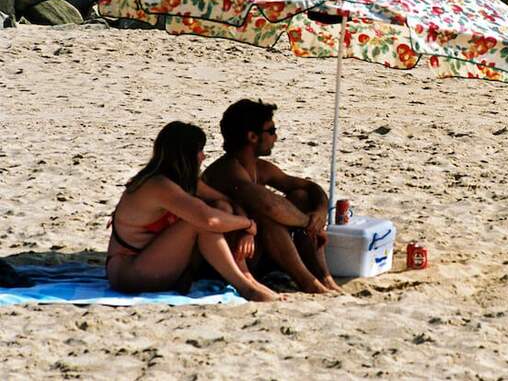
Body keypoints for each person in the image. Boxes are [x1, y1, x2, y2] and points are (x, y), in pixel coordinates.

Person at [105, 121, 279, 302]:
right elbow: (210, 220)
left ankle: (247, 277)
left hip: (156, 261)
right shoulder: (158, 185)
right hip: (128, 272)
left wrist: (246, 232)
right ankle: (245, 287)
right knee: (199, 223)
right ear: (185, 155)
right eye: (199, 151)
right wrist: (249, 224)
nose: (203, 157)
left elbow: (227, 202)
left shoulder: (183, 181)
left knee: (221, 208)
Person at [202, 99, 341, 294]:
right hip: (231, 260)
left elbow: (310, 188)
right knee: (265, 216)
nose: (276, 138)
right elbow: (268, 205)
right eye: (272, 131)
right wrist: (308, 223)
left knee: (301, 197)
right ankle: (308, 282)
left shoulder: (260, 168)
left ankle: (324, 277)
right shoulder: (228, 171)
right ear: (252, 136)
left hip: (256, 252)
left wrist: (319, 212)